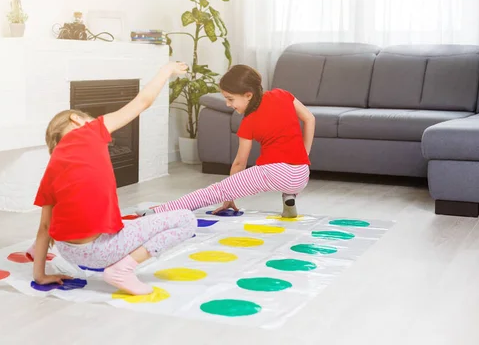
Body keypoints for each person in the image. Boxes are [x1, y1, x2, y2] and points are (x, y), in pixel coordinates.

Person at [30, 61, 197, 296]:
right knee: (186, 220)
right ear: (77, 120)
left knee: (126, 224)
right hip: (101, 251)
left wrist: (40, 274)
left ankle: (108, 261)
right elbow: (143, 102)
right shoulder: (91, 130)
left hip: (71, 253)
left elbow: (44, 227)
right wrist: (166, 70)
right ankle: (122, 270)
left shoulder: (51, 169)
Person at [138, 64, 315, 218]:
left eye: (231, 99)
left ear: (248, 95)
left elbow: (240, 162)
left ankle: (161, 211)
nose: (228, 104)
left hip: (275, 173)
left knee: (214, 191)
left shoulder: (248, 121)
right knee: (288, 178)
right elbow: (309, 118)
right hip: (301, 175)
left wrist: (229, 195)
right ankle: (289, 197)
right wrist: (304, 154)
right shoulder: (283, 94)